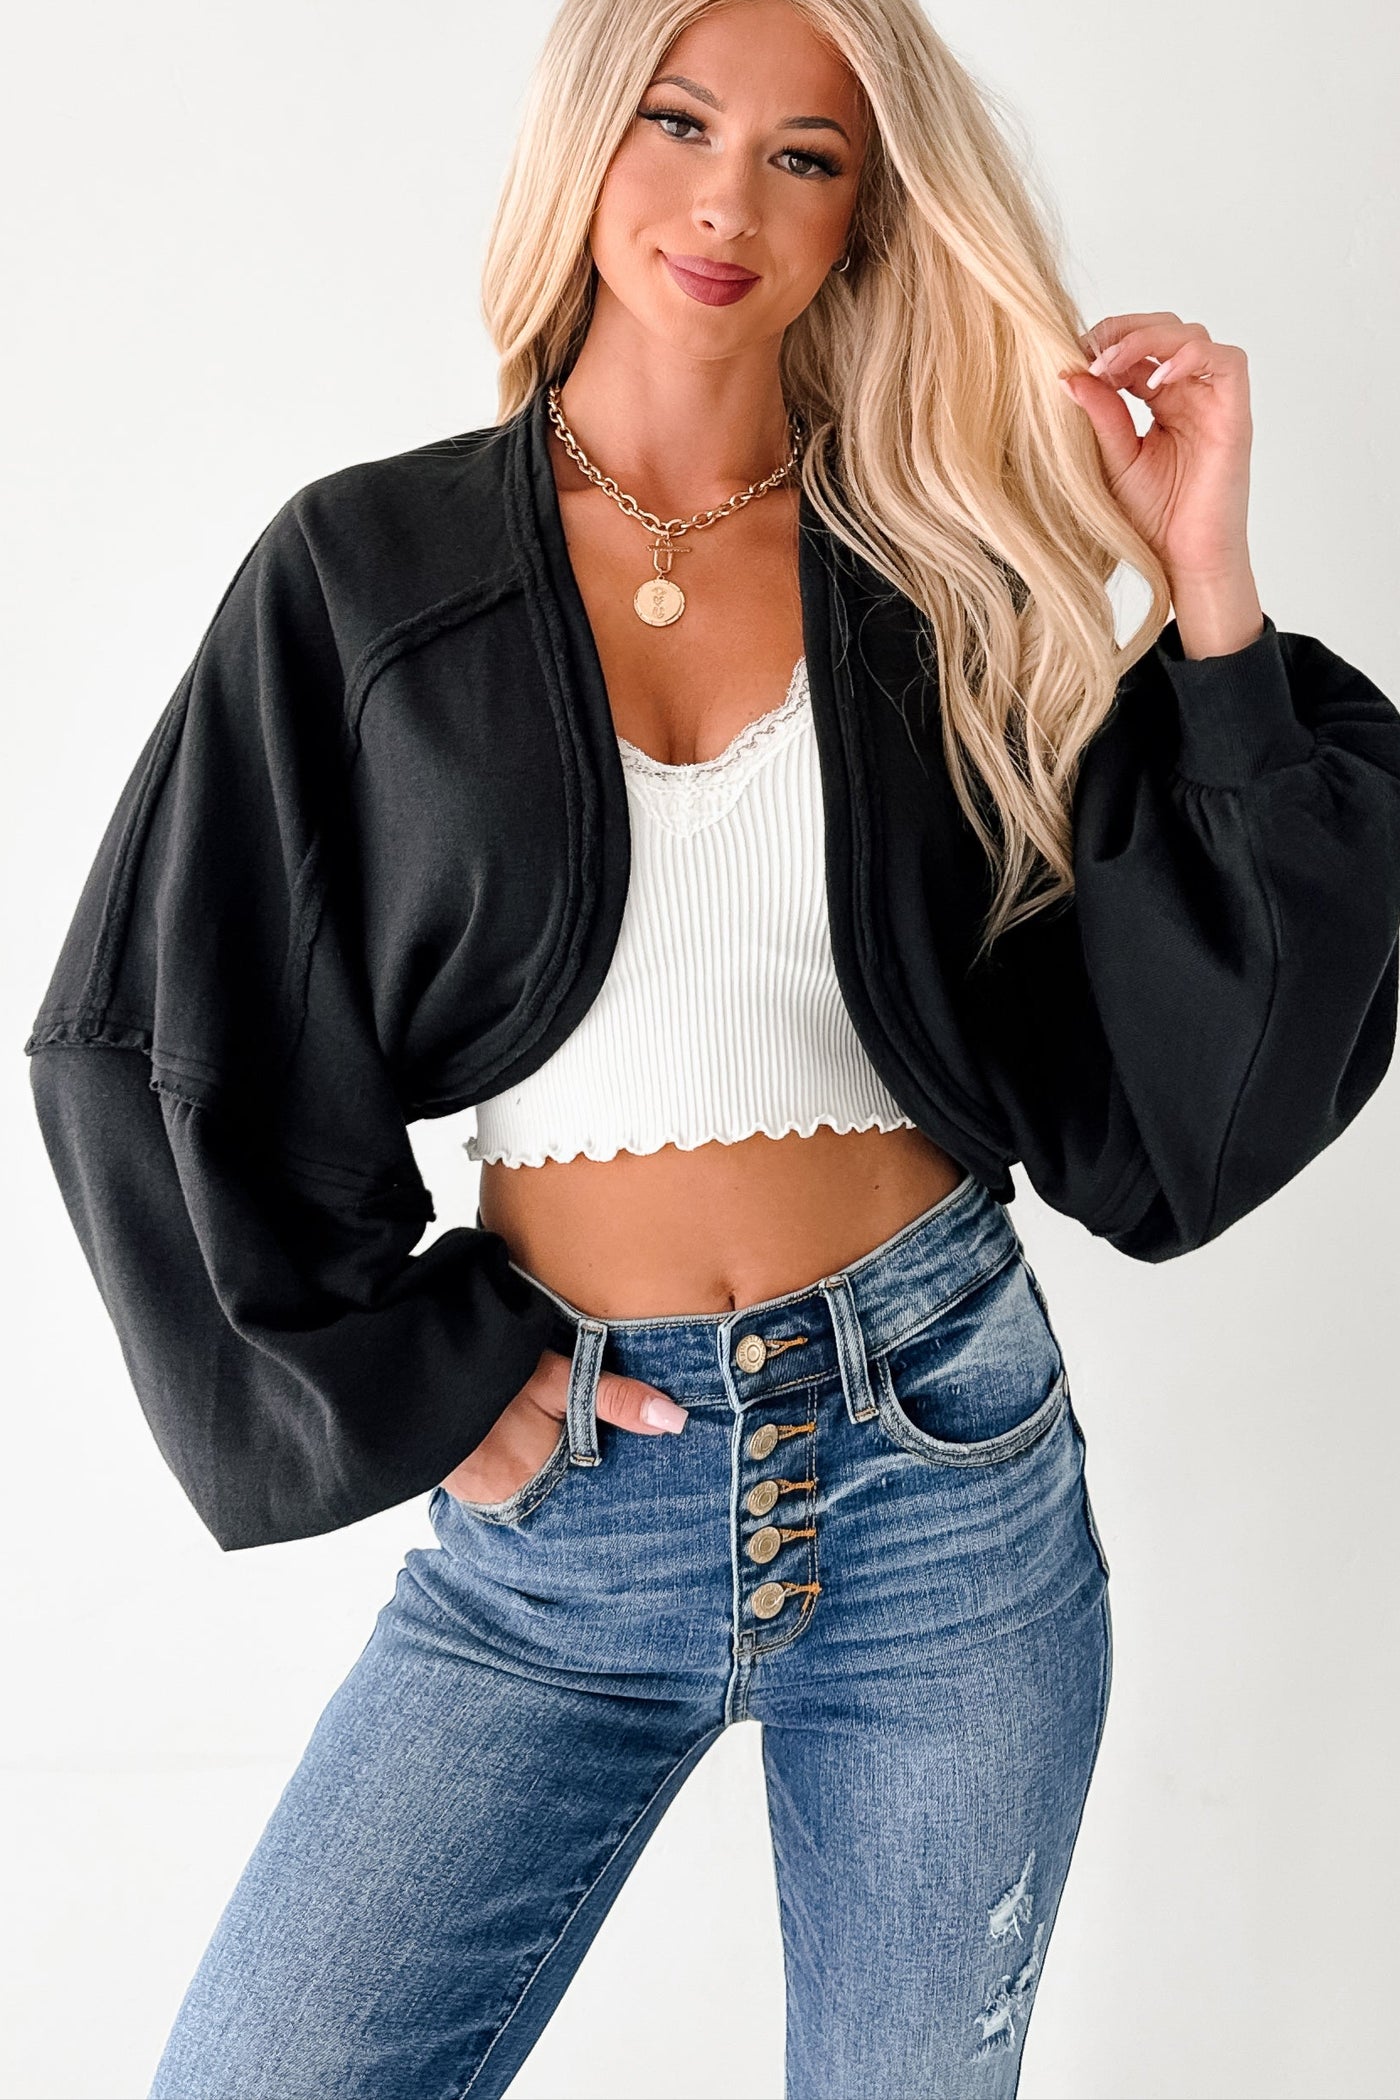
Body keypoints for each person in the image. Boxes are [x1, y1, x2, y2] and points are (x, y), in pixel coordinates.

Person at [24, 0, 1400, 2093]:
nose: (727, 202)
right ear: (588, 139)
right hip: (569, 1503)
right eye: (677, 123)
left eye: (805, 156)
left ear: (863, 217)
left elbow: (1192, 1053)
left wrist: (1198, 572)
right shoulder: (366, 571)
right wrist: (394, 1385)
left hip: (944, 1468)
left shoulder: (941, 574)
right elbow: (144, 1021)